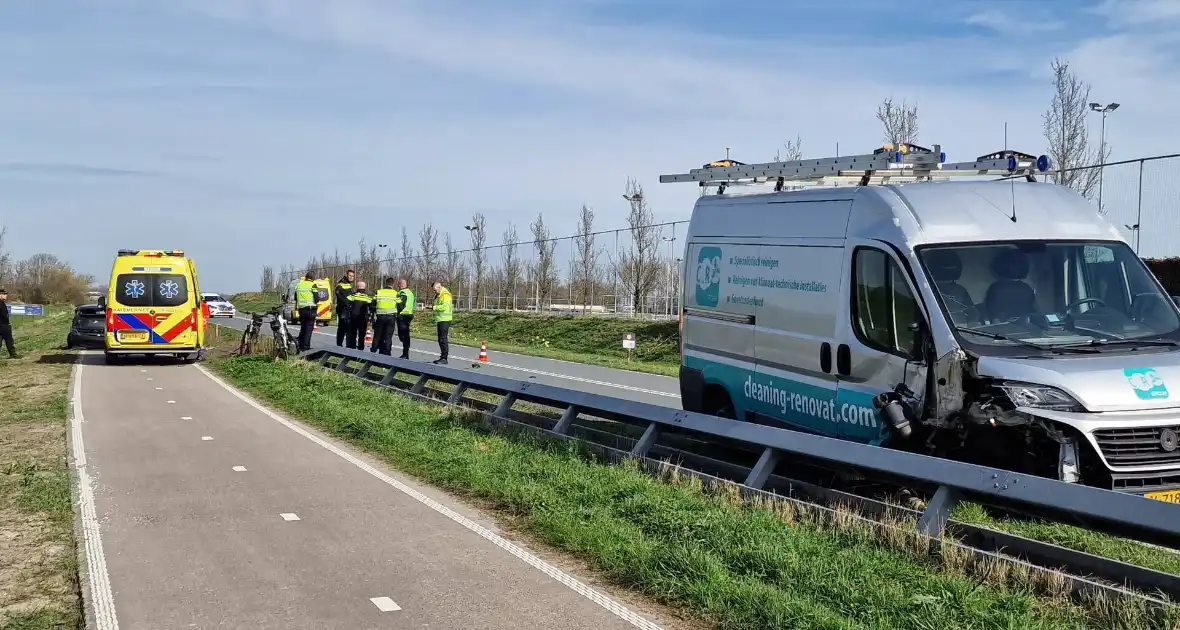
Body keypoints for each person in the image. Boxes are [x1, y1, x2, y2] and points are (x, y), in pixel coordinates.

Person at [372, 277, 399, 356]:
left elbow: (373, 303)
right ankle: (387, 352)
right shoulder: (395, 293)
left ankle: (373, 350)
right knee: (388, 336)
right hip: (391, 317)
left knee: (377, 334)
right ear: (393, 284)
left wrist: (372, 315)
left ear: (385, 283)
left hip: (380, 316)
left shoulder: (379, 292)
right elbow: (400, 303)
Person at [345, 280, 373, 350]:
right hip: (363, 318)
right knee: (361, 334)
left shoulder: (353, 295)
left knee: (353, 333)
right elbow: (371, 307)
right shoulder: (367, 297)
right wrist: (370, 316)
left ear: (357, 287)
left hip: (353, 317)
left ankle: (352, 347)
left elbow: (347, 304)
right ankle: (361, 348)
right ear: (364, 287)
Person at [431, 281, 453, 365]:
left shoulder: (445, 295)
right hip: (441, 319)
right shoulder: (439, 295)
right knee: (440, 339)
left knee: (443, 339)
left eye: (435, 290)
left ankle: (444, 358)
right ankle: (442, 357)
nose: (434, 291)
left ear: (439, 287)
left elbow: (444, 306)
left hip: (445, 319)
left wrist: (434, 307)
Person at [295, 273, 317, 352]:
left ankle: (300, 346)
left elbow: (295, 297)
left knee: (303, 327)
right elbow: (316, 298)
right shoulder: (313, 285)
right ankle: (306, 349)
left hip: (301, 310)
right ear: (312, 278)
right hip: (311, 310)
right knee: (309, 329)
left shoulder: (298, 285)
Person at [334, 269, 355, 347]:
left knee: (347, 328)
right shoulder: (341, 284)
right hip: (343, 309)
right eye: (350, 275)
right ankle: (339, 345)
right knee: (342, 328)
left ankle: (347, 345)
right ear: (346, 275)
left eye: (352, 276)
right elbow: (338, 294)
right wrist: (346, 303)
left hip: (348, 309)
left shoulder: (349, 285)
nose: (351, 277)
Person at [395, 278, 415, 359]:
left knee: (403, 334)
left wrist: (398, 312)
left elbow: (401, 303)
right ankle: (406, 351)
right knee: (404, 334)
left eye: (398, 284)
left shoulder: (402, 292)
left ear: (401, 284)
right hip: (409, 314)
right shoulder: (410, 292)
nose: (397, 286)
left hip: (403, 315)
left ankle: (405, 352)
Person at [0, 288, 16, 359]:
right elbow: (4, 314)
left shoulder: (2, 302)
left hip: (4, 325)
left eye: (6, 294)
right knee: (8, 341)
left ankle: (13, 354)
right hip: (3, 325)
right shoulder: (0, 303)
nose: (6, 295)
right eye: (4, 294)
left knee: (9, 341)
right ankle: (13, 354)